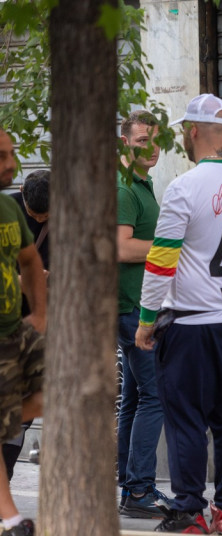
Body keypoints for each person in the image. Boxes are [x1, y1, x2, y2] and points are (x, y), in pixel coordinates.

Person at [134, 94, 222, 534]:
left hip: (191, 323)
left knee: (186, 419)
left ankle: (189, 508)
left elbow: (160, 260)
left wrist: (146, 320)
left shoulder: (184, 187)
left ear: (192, 131)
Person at [115, 109, 170, 518]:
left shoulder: (143, 184)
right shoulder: (124, 189)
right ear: (123, 144)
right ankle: (139, 491)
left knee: (134, 399)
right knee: (156, 397)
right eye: (139, 143)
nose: (149, 149)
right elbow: (122, 248)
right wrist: (170, 250)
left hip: (135, 305)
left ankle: (130, 484)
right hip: (133, 309)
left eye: (153, 141)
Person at [0, 128, 47, 536]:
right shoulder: (14, 204)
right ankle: (11, 517)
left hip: (23, 328)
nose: (11, 163)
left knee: (49, 397)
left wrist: (43, 315)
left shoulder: (10, 211)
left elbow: (31, 261)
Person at [3, 170, 49, 481]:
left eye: (45, 216)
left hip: (39, 323)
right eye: (34, 214)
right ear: (21, 192)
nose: (38, 219)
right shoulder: (8, 211)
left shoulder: (70, 218)